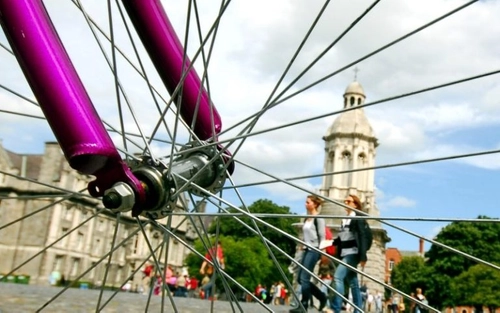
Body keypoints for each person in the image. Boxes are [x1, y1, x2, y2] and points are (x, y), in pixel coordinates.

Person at [330, 194, 369, 313]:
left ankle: (335, 309)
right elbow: (342, 238)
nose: (345, 203)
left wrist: (363, 256)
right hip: (345, 252)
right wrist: (329, 242)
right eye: (344, 201)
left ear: (355, 204)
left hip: (353, 253)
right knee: (353, 283)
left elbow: (362, 236)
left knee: (337, 277)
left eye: (348, 201)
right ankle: (358, 310)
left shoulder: (358, 217)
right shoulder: (344, 219)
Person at [289, 195, 327, 313]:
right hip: (306, 250)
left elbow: (322, 236)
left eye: (308, 202)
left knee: (304, 278)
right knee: (301, 279)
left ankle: (303, 305)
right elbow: (307, 236)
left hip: (314, 250)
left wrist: (323, 252)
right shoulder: (307, 218)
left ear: (315, 204)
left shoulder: (318, 218)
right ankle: (321, 297)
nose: (306, 204)